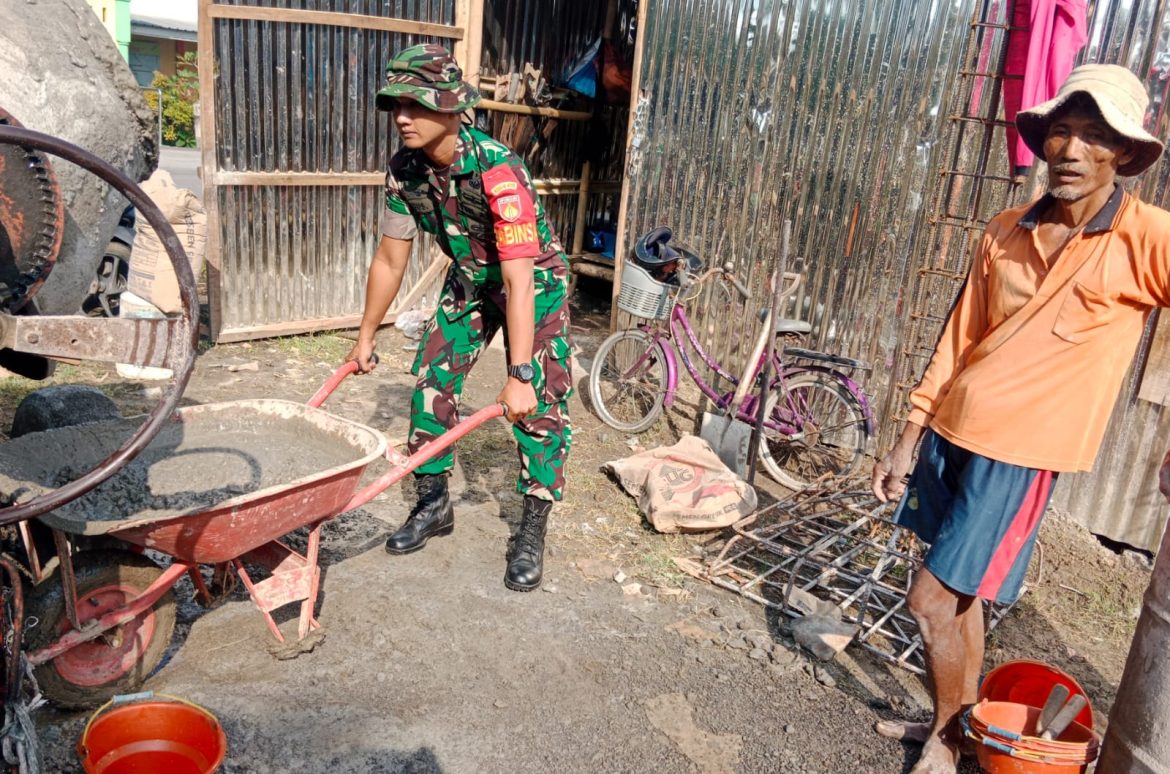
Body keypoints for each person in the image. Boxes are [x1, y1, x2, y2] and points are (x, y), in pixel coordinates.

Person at [871, 63, 1169, 773]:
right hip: (952, 433)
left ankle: (948, 743)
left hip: (1022, 453)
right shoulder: (1005, 230)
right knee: (954, 595)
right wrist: (909, 435)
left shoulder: (1145, 236)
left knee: (929, 602)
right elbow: (958, 337)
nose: (1069, 150)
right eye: (1060, 131)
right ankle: (956, 724)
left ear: (1123, 153)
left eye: (1092, 135)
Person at [346, 44, 573, 592]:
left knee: (538, 402)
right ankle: (433, 502)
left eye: (416, 105)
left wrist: (519, 375)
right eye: (396, 104)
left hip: (532, 285)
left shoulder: (499, 170)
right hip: (472, 277)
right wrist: (365, 335)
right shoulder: (405, 170)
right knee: (431, 381)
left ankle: (531, 527)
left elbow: (519, 280)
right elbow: (389, 256)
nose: (402, 116)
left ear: (452, 109)